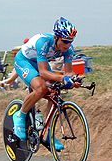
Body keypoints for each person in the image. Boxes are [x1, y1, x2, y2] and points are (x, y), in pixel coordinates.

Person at [13, 17, 78, 151]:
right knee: (41, 88)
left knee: (55, 93)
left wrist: (74, 80)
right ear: (56, 37)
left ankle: (47, 133)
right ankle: (20, 115)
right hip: (24, 61)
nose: (67, 45)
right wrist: (62, 78)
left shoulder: (69, 50)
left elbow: (69, 72)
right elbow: (43, 73)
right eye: (65, 41)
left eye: (70, 41)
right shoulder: (44, 42)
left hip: (38, 63)